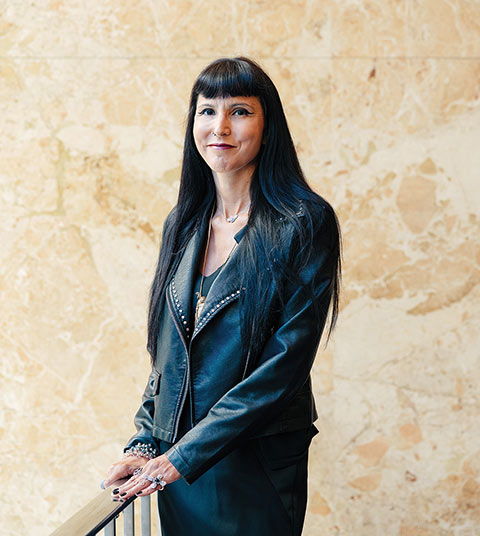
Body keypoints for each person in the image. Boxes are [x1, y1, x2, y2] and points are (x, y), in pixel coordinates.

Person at [103, 56, 341, 535]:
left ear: (268, 125)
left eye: (240, 111)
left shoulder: (303, 222)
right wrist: (146, 442)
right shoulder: (183, 223)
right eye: (207, 110)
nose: (220, 127)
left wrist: (184, 455)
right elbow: (169, 357)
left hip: (252, 460)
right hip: (177, 465)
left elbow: (285, 364)